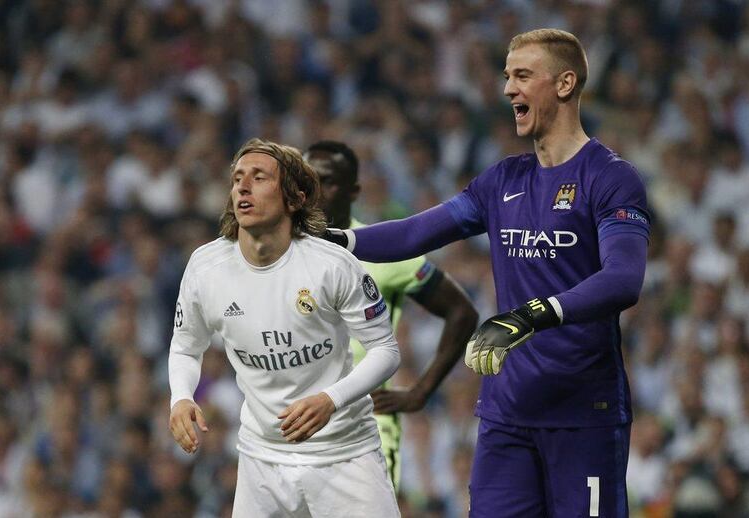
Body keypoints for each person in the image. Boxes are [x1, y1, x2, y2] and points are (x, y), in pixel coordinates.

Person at [325, 29, 650, 517]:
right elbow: (416, 234)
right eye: (506, 77)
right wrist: (338, 240)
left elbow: (624, 279)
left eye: (522, 75)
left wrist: (531, 315)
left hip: (583, 412)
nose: (507, 89)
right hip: (507, 413)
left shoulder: (608, 177)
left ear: (564, 83)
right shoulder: (502, 181)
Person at [168, 138, 401, 517]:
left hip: (345, 453)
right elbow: (185, 346)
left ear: (294, 198)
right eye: (238, 178)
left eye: (259, 178)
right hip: (262, 459)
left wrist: (331, 400)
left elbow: (386, 351)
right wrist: (181, 396)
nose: (243, 186)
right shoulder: (206, 268)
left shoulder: (332, 266)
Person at [305, 140, 479, 488]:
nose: (315, 192)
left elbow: (462, 312)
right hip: (300, 422)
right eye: (307, 181)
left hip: (367, 423)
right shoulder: (283, 253)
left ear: (353, 190)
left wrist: (420, 392)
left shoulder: (379, 248)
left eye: (327, 181)